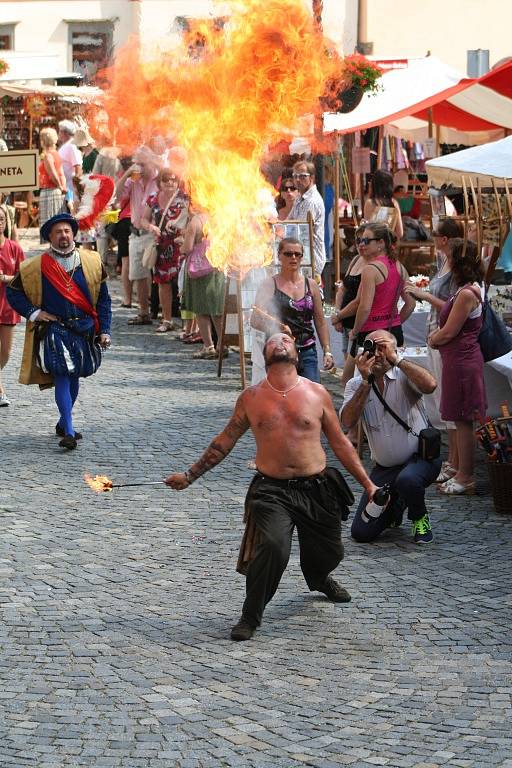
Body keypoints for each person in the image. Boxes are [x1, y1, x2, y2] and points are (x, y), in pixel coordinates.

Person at [165, 332, 377, 640]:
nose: (281, 341)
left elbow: (342, 444)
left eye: (287, 339)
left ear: (296, 351)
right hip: (272, 490)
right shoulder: (251, 398)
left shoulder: (316, 393)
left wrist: (368, 485)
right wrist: (190, 475)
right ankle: (250, 616)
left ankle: (318, 577)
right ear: (264, 355)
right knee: (274, 546)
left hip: (318, 488)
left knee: (331, 553)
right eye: (274, 340)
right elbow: (224, 442)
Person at [6, 213, 112, 450]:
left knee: (74, 377)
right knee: (63, 375)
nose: (63, 236)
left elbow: (104, 300)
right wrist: (35, 313)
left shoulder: (92, 261)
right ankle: (70, 431)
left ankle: (64, 422)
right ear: (49, 237)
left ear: (73, 233)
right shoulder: (35, 267)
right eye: (58, 232)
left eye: (66, 231)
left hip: (84, 329)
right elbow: (13, 293)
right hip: (56, 330)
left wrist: (105, 330)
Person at [341, 330, 440, 545]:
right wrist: (366, 382)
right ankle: (396, 505)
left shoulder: (405, 374)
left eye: (382, 347)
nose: (377, 353)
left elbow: (430, 385)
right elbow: (347, 422)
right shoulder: (355, 385)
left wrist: (396, 359)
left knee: (408, 480)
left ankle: (419, 517)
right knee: (362, 532)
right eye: (372, 347)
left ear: (395, 350)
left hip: (420, 460)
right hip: (385, 470)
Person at [403, 217, 462, 482]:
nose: (433, 237)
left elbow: (451, 305)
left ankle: (457, 463)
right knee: (444, 401)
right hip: (435, 334)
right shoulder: (443, 263)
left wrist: (424, 296)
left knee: (450, 403)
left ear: (445, 239)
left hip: (444, 336)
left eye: (436, 234)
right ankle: (453, 460)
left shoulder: (455, 268)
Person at [427, 239, 486, 495]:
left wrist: (433, 339)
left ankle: (466, 476)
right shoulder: (469, 289)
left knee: (462, 419)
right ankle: (461, 470)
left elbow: (450, 331)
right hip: (459, 360)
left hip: (461, 361)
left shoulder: (465, 294)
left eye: (450, 257)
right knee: (459, 417)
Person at [251, 237, 334, 382]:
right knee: (282, 396)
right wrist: (278, 329)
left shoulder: (311, 285)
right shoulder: (269, 285)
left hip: (307, 349)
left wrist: (327, 351)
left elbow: (320, 321)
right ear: (279, 256)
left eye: (297, 254)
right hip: (279, 351)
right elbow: (255, 320)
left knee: (310, 394)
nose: (293, 257)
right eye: (288, 254)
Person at [348, 222, 415, 358]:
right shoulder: (399, 267)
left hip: (371, 333)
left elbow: (364, 307)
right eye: (360, 240)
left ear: (381, 243)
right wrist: (395, 322)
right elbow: (411, 304)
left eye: (366, 240)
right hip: (394, 332)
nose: (362, 244)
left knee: (361, 377)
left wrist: (355, 331)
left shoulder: (370, 269)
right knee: (392, 377)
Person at [141, 168, 189, 333]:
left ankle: (189, 325)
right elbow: (143, 220)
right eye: (166, 179)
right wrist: (151, 227)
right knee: (164, 283)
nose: (170, 182)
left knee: (184, 285)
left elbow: (191, 220)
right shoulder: (153, 199)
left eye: (174, 180)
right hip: (161, 246)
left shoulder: (184, 199)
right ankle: (167, 320)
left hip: (182, 245)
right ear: (159, 182)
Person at [116, 148, 158, 325]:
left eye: (142, 163)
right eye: (137, 163)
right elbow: (117, 195)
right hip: (136, 232)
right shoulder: (134, 179)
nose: (139, 167)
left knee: (158, 276)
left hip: (154, 233)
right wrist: (127, 174)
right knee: (138, 275)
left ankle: (160, 312)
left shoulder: (159, 179)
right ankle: (144, 312)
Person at [180, 207, 226, 359]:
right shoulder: (221, 218)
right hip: (217, 266)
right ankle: (222, 343)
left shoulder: (196, 221)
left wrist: (180, 244)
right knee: (216, 308)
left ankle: (209, 346)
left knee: (201, 309)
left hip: (199, 269)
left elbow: (187, 248)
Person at [0, 207, 25, 406]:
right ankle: (0, 391)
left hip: (8, 305)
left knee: (6, 353)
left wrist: (7, 278)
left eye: (2, 219)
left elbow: (24, 276)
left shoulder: (14, 248)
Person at [288, 160, 326, 276]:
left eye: (303, 176)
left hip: (310, 259)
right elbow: (289, 221)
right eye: (295, 176)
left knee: (309, 292)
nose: (298, 180)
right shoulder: (300, 196)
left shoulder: (311, 201)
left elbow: (299, 229)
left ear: (312, 178)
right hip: (302, 256)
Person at [38, 127, 67, 238]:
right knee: (57, 221)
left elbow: (53, 174)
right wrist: (63, 187)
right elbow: (61, 173)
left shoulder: (48, 155)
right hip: (57, 191)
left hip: (50, 191)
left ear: (43, 140)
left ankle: (52, 245)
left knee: (51, 223)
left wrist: (59, 186)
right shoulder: (56, 153)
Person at [364, 169, 404, 239]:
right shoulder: (394, 203)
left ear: (374, 185)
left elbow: (367, 230)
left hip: (373, 246)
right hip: (388, 246)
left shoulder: (370, 203)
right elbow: (400, 233)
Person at [58, 120, 82, 214]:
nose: (58, 133)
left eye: (60, 131)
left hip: (71, 189)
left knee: (71, 213)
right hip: (66, 188)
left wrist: (77, 189)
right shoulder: (66, 146)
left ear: (65, 133)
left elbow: (78, 167)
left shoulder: (72, 146)